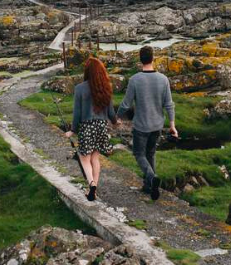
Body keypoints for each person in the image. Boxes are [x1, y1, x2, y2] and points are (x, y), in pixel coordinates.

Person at [117, 46, 178, 200]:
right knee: (150, 153)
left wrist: (116, 118)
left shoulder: (135, 80)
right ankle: (149, 186)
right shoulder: (163, 79)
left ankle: (151, 177)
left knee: (138, 153)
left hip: (141, 126)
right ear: (153, 58)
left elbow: (126, 104)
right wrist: (172, 126)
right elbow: (169, 104)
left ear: (140, 59)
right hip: (157, 125)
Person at [65, 57, 118, 201]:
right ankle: (93, 191)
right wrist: (115, 122)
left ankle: (92, 184)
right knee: (95, 157)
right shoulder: (105, 87)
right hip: (101, 126)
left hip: (87, 126)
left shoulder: (80, 88)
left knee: (84, 157)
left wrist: (72, 130)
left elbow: (77, 113)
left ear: (87, 71)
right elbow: (111, 112)